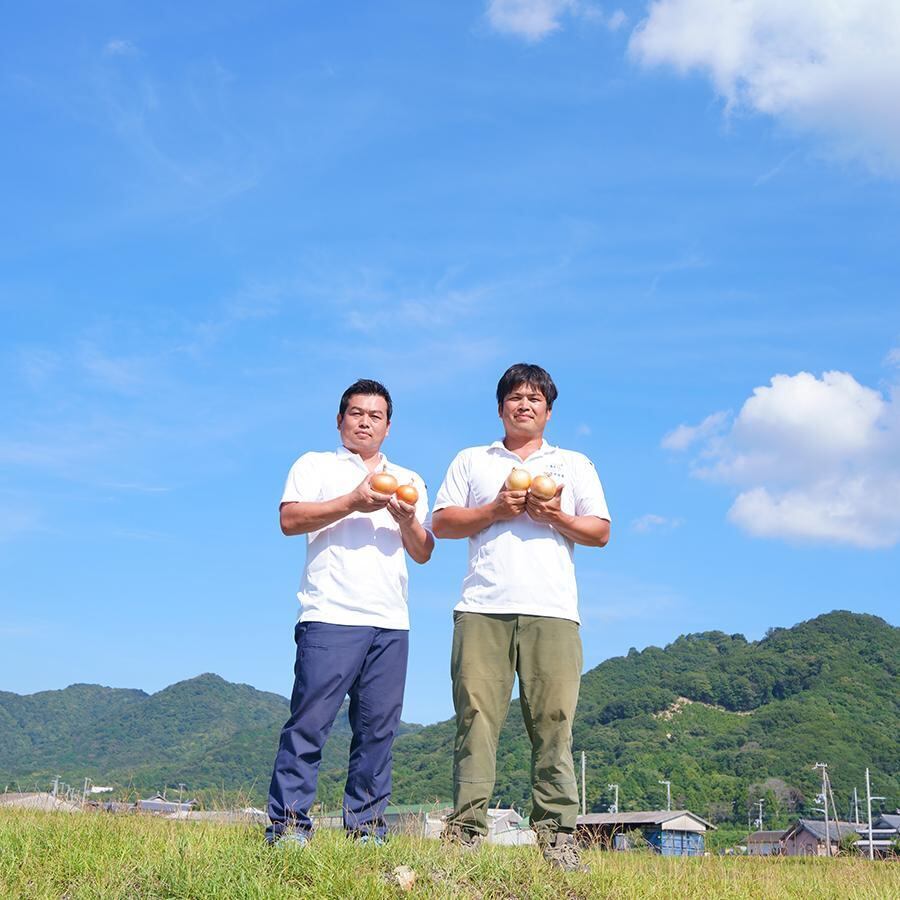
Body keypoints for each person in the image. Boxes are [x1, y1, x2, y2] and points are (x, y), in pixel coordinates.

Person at [430, 363, 610, 871]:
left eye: (534, 399)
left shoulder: (573, 464)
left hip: (553, 611)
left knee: (554, 724)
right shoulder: (473, 460)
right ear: (500, 408)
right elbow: (441, 522)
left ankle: (557, 838)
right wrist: (494, 510)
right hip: (481, 609)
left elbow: (600, 532)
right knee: (475, 721)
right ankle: (465, 832)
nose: (524, 405)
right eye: (515, 397)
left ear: (549, 412)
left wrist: (556, 517)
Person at [265, 378, 433, 847]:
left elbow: (423, 551)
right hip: (330, 613)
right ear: (340, 420)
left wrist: (406, 521)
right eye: (356, 413)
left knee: (378, 730)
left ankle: (366, 828)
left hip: (391, 621)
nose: (365, 422)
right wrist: (353, 501)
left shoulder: (408, 479)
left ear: (388, 427)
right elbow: (289, 520)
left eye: (375, 416)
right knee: (309, 723)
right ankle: (288, 827)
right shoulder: (315, 465)